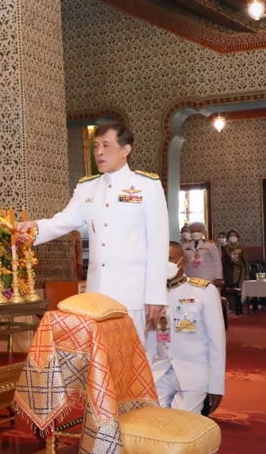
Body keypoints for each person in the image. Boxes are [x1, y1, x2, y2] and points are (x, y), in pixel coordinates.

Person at [19, 121, 169, 344]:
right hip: (96, 292)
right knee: (100, 358)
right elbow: (62, 221)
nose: (99, 152)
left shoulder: (146, 186)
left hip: (133, 292)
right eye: (96, 145)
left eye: (106, 145)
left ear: (125, 150)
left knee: (131, 358)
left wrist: (155, 295)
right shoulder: (86, 188)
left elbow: (158, 243)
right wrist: (33, 229)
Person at [147, 241, 226, 414]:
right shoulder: (152, 294)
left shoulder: (203, 291)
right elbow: (150, 340)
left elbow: (217, 343)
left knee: (180, 425)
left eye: (169, 259)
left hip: (194, 373)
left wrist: (216, 385)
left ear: (182, 261)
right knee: (151, 420)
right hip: (160, 371)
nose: (164, 264)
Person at [182, 221, 223, 286]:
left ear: (203, 232)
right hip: (190, 276)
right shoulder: (185, 245)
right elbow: (183, 261)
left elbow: (216, 261)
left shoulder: (210, 244)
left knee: (207, 295)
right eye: (193, 231)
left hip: (207, 277)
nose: (195, 233)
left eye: (198, 231)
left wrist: (218, 277)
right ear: (190, 232)